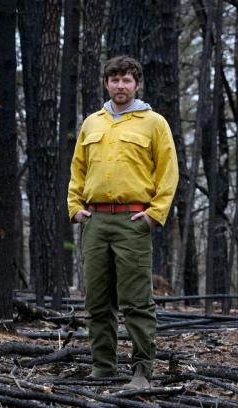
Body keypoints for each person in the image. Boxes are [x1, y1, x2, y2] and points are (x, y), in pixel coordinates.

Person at [67, 55, 179, 389]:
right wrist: (75, 206)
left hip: (134, 220)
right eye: (114, 79)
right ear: (106, 83)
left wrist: (154, 215)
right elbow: (78, 170)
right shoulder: (92, 123)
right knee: (97, 300)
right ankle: (103, 368)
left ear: (137, 84)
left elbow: (168, 172)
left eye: (127, 80)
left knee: (136, 300)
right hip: (96, 221)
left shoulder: (154, 123)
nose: (120, 85)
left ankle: (143, 370)